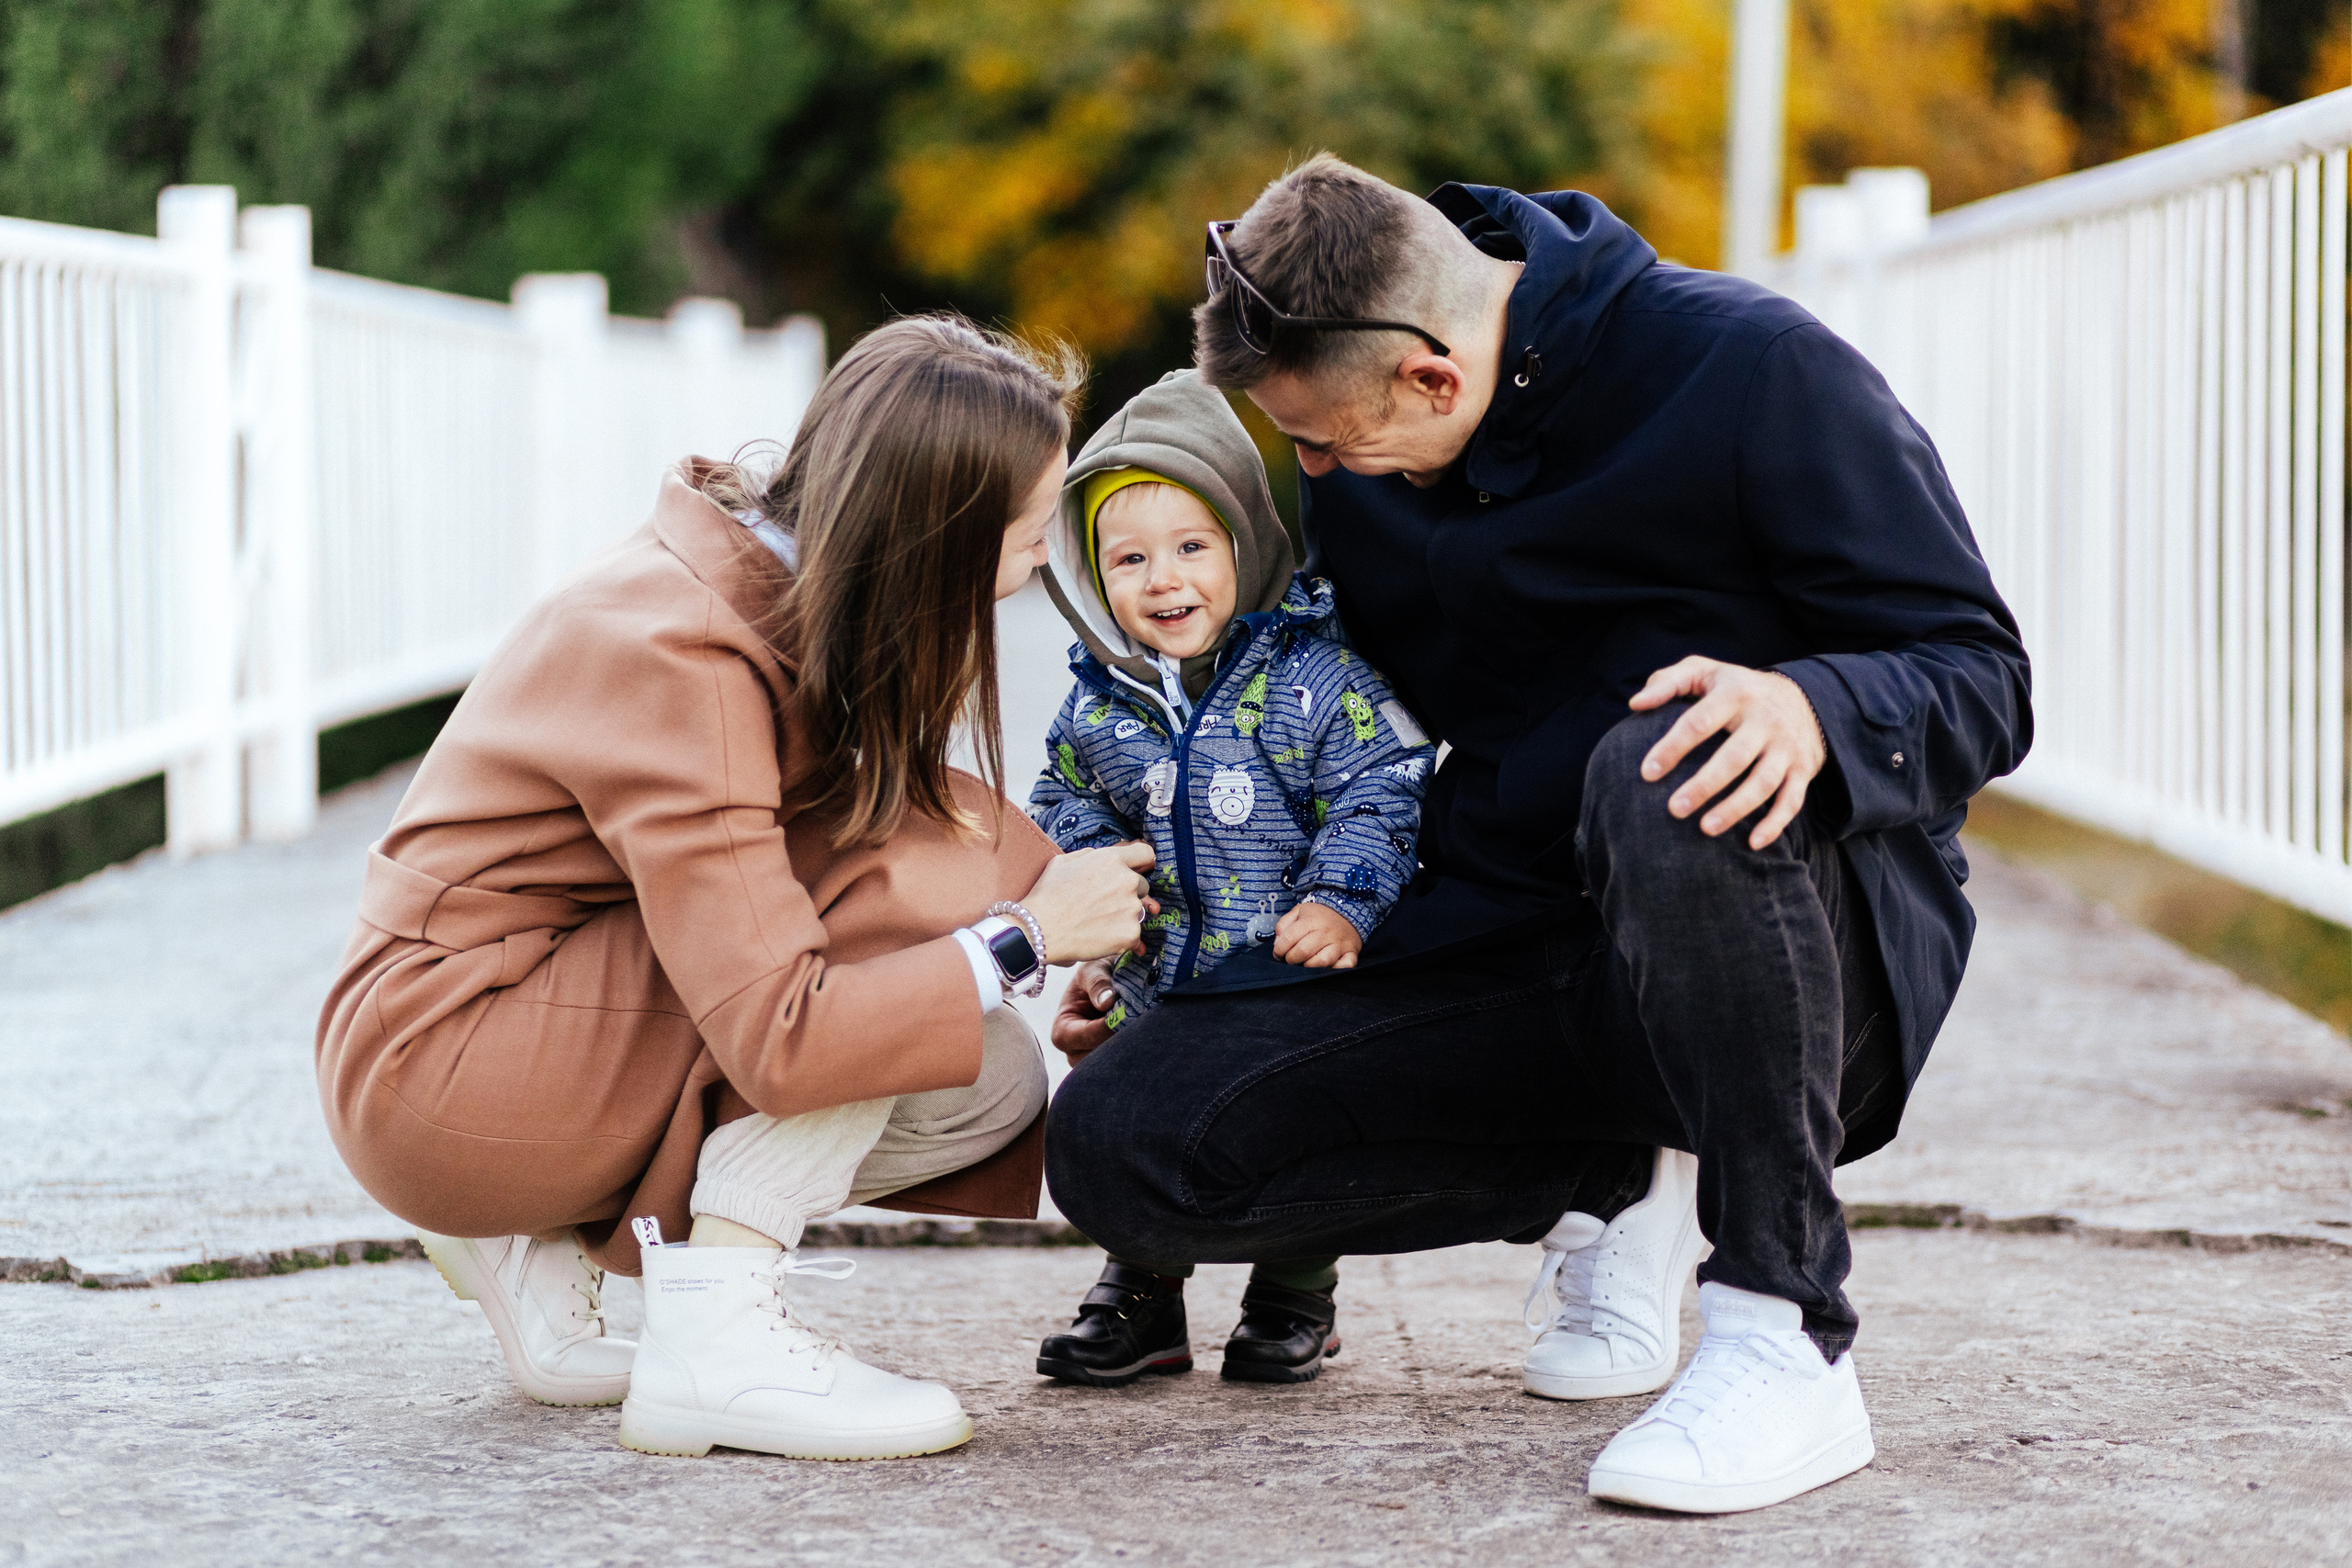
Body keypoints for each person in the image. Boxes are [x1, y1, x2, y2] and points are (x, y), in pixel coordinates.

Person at [1044, 156, 2031, 1514]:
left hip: (1786, 959)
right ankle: (1614, 1177)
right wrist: (1180, 941)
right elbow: (1327, 731)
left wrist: (1812, 703)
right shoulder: (1368, 451)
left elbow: (1982, 674)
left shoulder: (1757, 370)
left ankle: (1783, 1329)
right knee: (1125, 1142)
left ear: (1431, 377)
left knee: (1664, 754)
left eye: (1325, 443)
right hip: (1515, 934)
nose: (1313, 472)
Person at [315, 315, 1156, 1463]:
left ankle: (530, 1237)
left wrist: (1074, 897)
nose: (1041, 562)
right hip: (439, 1064)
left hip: (507, 1017)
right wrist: (1025, 935)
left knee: (983, 1077)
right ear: (933, 541)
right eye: (1026, 534)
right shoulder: (687, 659)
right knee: (885, 927)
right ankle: (717, 1346)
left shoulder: (767, 580)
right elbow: (793, 1014)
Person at [1023, 369, 1433, 1387]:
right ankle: (1142, 1290)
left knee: (1300, 1124)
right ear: (1091, 575)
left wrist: (1341, 899)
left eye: (1191, 547)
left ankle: (1295, 1287)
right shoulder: (1101, 703)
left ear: (1245, 542)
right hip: (1159, 981)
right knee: (1138, 1119)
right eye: (1128, 558)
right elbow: (1060, 794)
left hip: (1291, 977)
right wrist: (1098, 866)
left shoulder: (1315, 677)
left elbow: (1382, 784)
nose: (1162, 581)